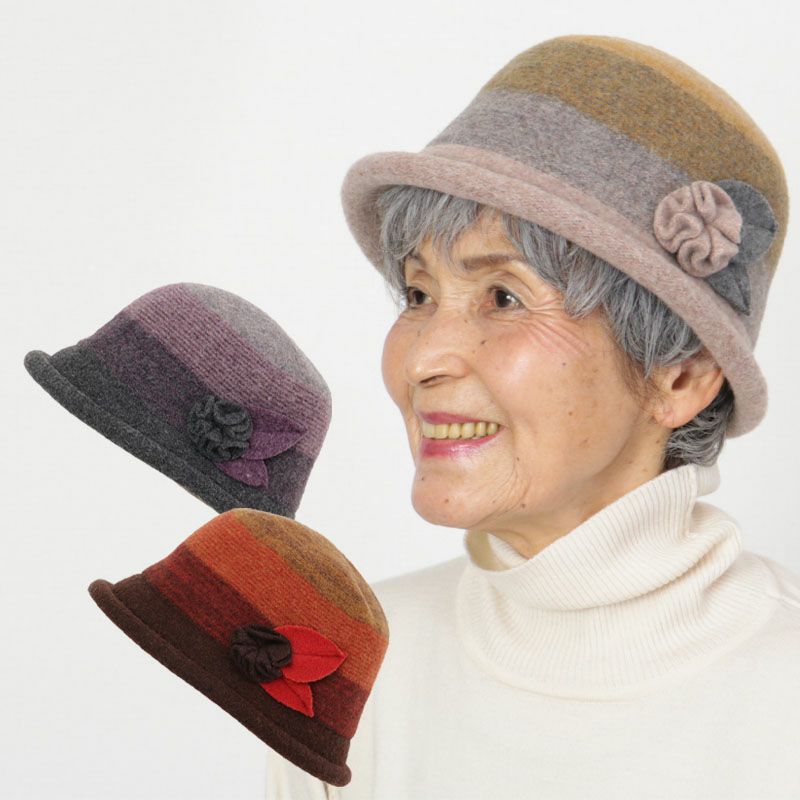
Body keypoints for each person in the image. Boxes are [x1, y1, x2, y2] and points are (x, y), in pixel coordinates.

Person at [266, 34, 800, 799]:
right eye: (418, 294)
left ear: (680, 376)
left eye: (504, 297)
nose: (423, 360)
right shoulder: (342, 668)